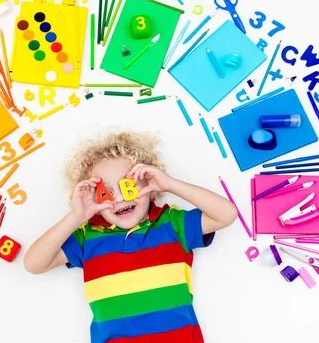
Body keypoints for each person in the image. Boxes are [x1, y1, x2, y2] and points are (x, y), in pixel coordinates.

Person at [24, 132, 237, 342]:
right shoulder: (87, 237)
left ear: (151, 188)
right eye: (105, 192)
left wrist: (171, 184)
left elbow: (226, 215)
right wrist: (75, 217)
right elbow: (34, 264)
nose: (117, 198)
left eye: (128, 185)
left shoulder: (171, 224)